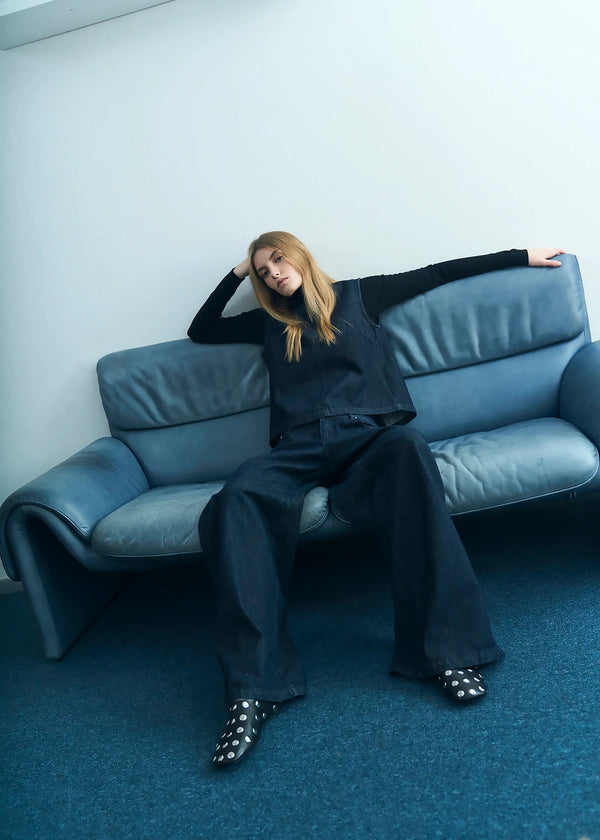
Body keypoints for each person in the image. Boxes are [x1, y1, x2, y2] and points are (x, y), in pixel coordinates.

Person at [188, 232, 565, 768]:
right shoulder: (268, 322)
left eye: (277, 259)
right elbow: (200, 331)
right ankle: (253, 689)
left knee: (410, 450)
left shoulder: (361, 295)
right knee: (238, 495)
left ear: (299, 254)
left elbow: (438, 271)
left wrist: (520, 256)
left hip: (367, 437)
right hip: (296, 449)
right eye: (263, 271)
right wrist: (236, 275)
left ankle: (447, 653)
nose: (273, 273)